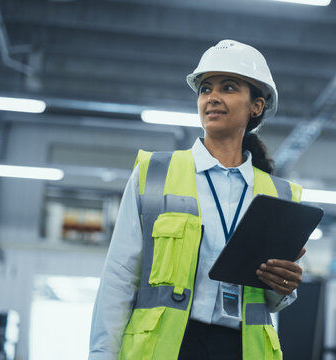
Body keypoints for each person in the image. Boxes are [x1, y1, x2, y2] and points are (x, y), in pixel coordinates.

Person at [89, 39, 305, 360]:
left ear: (256, 106)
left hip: (241, 349)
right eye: (205, 89)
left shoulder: (279, 195)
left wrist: (283, 286)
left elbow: (271, 300)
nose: (212, 97)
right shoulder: (155, 173)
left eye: (228, 87)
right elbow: (119, 278)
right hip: (169, 348)